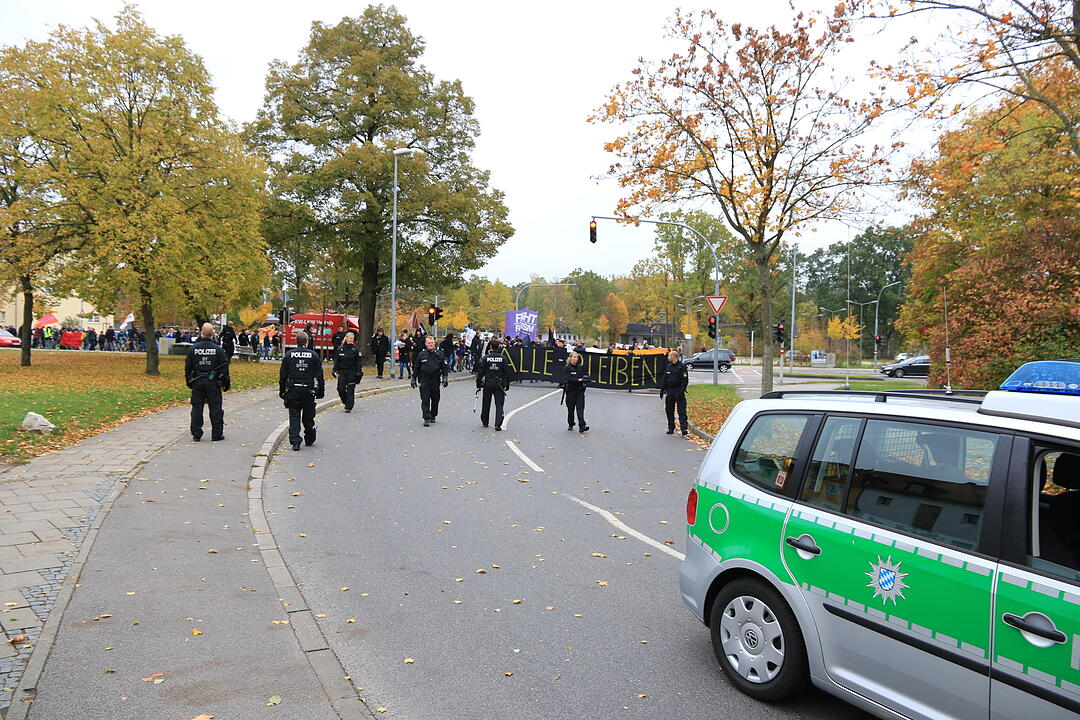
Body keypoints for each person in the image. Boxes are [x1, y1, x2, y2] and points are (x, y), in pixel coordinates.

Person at [185, 322, 230, 442]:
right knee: (215, 408)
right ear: (213, 334)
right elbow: (225, 367)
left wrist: (189, 381)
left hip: (197, 380)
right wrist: (225, 383)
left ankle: (196, 433)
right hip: (213, 382)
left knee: (197, 408)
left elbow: (188, 367)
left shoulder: (193, 349)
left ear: (201, 333)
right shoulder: (218, 350)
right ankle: (216, 434)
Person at [280, 330, 325, 451]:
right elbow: (319, 375)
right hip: (308, 390)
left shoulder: (289, 355)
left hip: (293, 389)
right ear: (306, 341)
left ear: (296, 341)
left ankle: (295, 441)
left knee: (294, 415)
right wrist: (321, 390)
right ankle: (310, 437)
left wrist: (282, 391)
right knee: (308, 416)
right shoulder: (313, 355)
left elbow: (283, 375)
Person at [411, 334, 449, 427]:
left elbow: (444, 367)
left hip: (435, 380)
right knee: (425, 399)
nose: (431, 344)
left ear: (434, 343)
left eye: (432, 343)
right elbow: (416, 367)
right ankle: (426, 417)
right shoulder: (421, 355)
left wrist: (445, 378)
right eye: (429, 343)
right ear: (426, 344)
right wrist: (413, 378)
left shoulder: (440, 354)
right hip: (424, 380)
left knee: (435, 399)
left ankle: (433, 414)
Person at [475, 339, 511, 430]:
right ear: (498, 347)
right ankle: (498, 424)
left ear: (490, 347)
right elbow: (507, 372)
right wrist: (507, 384)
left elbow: (481, 372)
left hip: (488, 383)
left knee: (486, 403)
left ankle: (485, 421)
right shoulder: (503, 358)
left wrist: (478, 383)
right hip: (499, 383)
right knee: (499, 403)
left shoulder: (486, 358)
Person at [660, 349, 690, 435]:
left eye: (669, 356)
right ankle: (671, 427)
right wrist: (662, 390)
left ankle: (684, 428)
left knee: (681, 411)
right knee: (669, 410)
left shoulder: (682, 367)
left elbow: (685, 380)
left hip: (678, 391)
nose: (668, 357)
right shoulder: (668, 366)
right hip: (670, 391)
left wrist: (682, 390)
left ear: (673, 357)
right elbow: (665, 379)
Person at [333, 331, 363, 412]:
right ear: (346, 338)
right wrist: (335, 370)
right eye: (350, 338)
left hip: (352, 371)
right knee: (340, 388)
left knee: (350, 389)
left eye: (352, 339)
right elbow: (337, 361)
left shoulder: (355, 349)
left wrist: (359, 371)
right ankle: (345, 401)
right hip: (343, 371)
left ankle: (349, 406)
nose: (351, 340)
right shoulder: (341, 349)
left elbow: (358, 362)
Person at [562, 351, 590, 433]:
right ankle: (571, 423)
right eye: (574, 357)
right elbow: (567, 379)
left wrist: (586, 378)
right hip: (571, 391)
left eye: (577, 357)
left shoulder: (580, 367)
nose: (576, 359)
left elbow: (586, 375)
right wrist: (578, 380)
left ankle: (582, 425)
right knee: (571, 409)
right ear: (570, 358)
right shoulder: (567, 368)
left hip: (580, 390)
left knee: (580, 409)